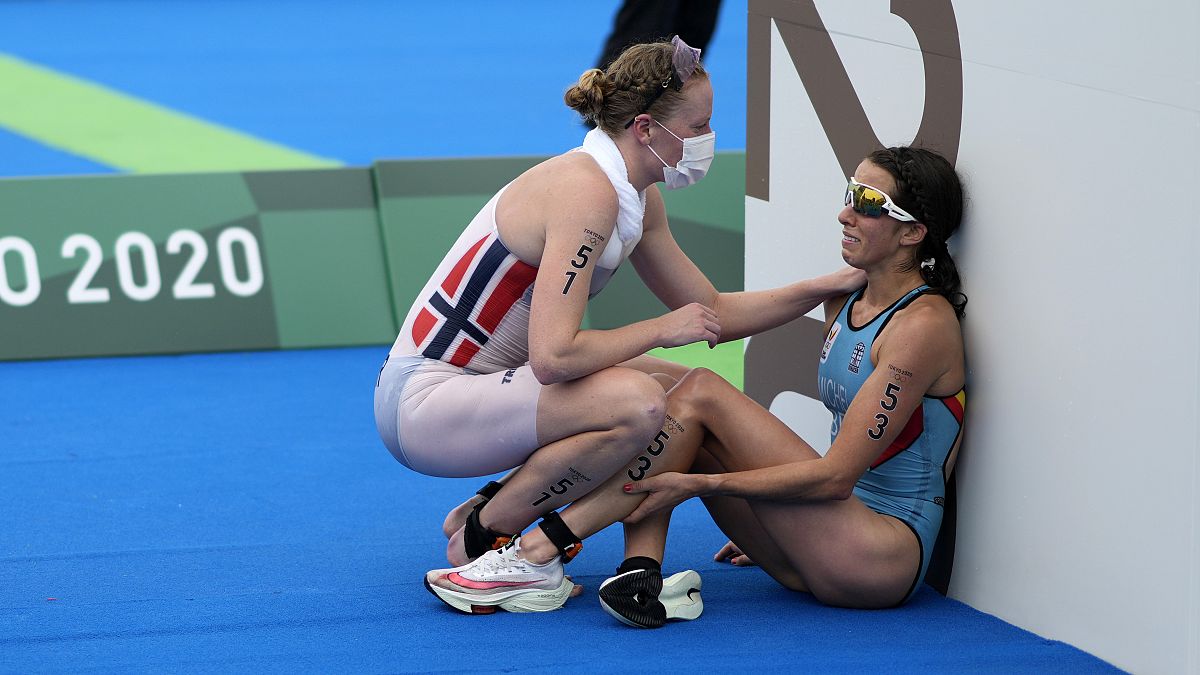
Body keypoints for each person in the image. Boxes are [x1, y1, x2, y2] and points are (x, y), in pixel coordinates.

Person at [378, 35, 862, 611]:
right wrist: (660, 328)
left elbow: (711, 314)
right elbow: (554, 359)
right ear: (644, 128)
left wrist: (824, 286)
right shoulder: (587, 193)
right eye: (699, 125)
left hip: (479, 393)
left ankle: (493, 514)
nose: (708, 141)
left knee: (679, 391)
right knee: (638, 403)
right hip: (426, 403)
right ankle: (494, 541)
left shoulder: (635, 197)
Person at [424, 145, 967, 625]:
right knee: (660, 391)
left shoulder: (922, 326)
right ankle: (640, 573)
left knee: (702, 392)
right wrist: (784, 526)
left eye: (868, 204)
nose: (844, 213)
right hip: (827, 540)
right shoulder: (848, 297)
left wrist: (704, 487)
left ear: (913, 232)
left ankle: (538, 550)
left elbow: (834, 478)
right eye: (850, 192)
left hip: (877, 561)